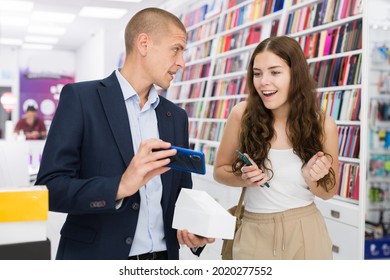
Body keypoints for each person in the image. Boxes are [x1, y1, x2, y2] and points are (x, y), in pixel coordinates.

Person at [36, 7, 214, 260]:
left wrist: (190, 228)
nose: (182, 62)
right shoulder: (81, 99)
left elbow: (180, 196)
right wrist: (119, 186)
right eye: (176, 49)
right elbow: (49, 189)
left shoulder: (176, 117)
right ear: (144, 44)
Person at [213, 36, 339, 260]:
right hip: (254, 232)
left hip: (306, 232)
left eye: (275, 72)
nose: (263, 82)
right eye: (257, 73)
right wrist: (244, 178)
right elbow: (220, 171)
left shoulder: (323, 124)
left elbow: (328, 192)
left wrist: (313, 178)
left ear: (295, 75)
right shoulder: (241, 115)